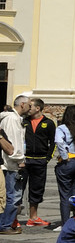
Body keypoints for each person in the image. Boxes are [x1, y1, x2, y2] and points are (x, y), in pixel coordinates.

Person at [21, 97, 56, 227]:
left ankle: (33, 217)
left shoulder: (49, 123)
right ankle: (13, 218)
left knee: (36, 189)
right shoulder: (23, 121)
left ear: (38, 108)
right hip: (24, 160)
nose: (28, 108)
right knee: (18, 188)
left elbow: (53, 142)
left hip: (40, 161)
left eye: (30, 106)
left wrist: (47, 158)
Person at [0, 96, 23, 233]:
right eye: (29, 105)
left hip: (9, 163)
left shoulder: (15, 119)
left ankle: (6, 223)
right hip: (10, 164)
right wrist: (20, 159)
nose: (31, 108)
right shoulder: (12, 119)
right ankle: (5, 225)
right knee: (13, 196)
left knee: (9, 195)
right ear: (23, 104)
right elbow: (12, 145)